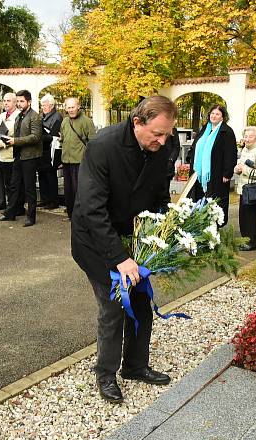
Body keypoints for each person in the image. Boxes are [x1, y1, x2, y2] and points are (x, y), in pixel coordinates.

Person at [71, 95, 177, 404]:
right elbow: (92, 209)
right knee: (113, 306)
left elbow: (159, 194)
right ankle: (105, 374)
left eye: (167, 133)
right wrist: (119, 258)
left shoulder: (163, 147)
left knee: (141, 303)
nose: (163, 140)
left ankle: (135, 366)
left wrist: (160, 233)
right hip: (96, 239)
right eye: (157, 133)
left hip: (134, 238)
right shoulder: (103, 146)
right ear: (137, 123)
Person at [0, 89, 41, 226]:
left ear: (29, 102)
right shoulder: (19, 116)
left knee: (29, 188)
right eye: (19, 101)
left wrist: (16, 141)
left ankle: (31, 217)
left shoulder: (35, 116)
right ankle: (10, 213)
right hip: (18, 156)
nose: (20, 104)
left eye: (22, 101)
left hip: (30, 157)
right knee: (14, 186)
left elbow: (36, 137)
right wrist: (9, 139)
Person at [187, 104, 237, 227]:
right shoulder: (205, 129)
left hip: (216, 173)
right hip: (199, 173)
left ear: (223, 117)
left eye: (217, 114)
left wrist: (227, 172)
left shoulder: (227, 132)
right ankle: (198, 224)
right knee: (198, 198)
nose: (214, 116)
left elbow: (231, 153)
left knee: (215, 199)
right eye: (212, 113)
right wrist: (190, 157)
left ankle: (214, 226)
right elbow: (196, 145)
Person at [234, 125, 256, 251]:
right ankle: (245, 240)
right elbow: (240, 165)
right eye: (246, 136)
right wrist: (238, 169)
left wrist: (245, 169)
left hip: (253, 189)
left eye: (250, 137)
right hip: (243, 188)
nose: (247, 139)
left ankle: (251, 243)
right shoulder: (245, 150)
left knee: (250, 217)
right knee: (243, 217)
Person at [58, 96, 95, 219]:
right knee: (68, 190)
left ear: (78, 106)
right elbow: (62, 139)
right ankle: (71, 214)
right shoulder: (64, 121)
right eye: (68, 107)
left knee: (79, 190)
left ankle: (81, 215)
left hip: (79, 161)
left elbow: (93, 142)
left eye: (73, 107)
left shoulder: (86, 121)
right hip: (66, 160)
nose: (71, 110)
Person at [0, 93, 19, 211]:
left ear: (15, 102)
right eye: (4, 101)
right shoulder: (2, 115)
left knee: (14, 184)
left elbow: (13, 134)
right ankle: (10, 207)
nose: (6, 103)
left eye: (8, 101)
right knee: (7, 183)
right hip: (1, 155)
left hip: (12, 154)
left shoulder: (18, 116)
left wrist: (0, 143)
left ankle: (15, 208)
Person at [37, 93, 61, 209]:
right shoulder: (43, 116)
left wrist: (40, 136)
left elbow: (54, 135)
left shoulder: (57, 117)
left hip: (51, 149)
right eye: (42, 106)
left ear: (51, 106)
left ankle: (53, 200)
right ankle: (44, 199)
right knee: (42, 174)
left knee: (50, 175)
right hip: (42, 149)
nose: (43, 108)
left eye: (45, 106)